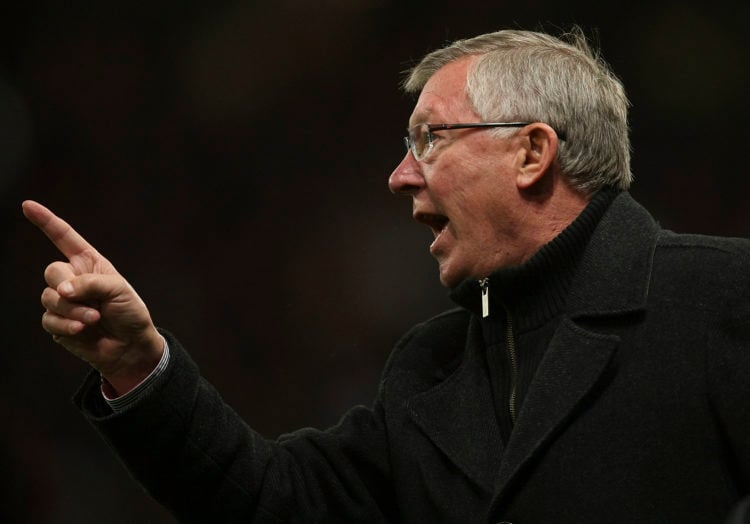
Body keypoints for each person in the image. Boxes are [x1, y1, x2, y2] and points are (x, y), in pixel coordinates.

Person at [23, 27, 750, 523]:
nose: (401, 176)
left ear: (532, 153)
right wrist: (139, 365)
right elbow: (274, 505)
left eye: (430, 139)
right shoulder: (431, 371)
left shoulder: (720, 300)